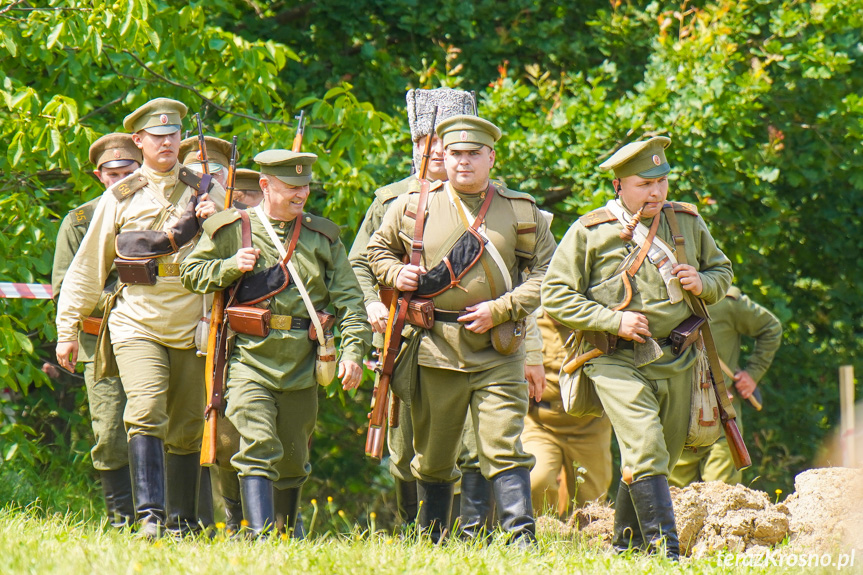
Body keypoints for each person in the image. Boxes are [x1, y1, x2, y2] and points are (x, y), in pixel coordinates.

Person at [367, 115, 556, 546]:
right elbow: (376, 250)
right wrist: (396, 273)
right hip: (436, 347)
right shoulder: (415, 205)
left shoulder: (520, 210)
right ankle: (431, 540)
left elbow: (548, 272)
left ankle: (520, 539)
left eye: (474, 154)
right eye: (455, 153)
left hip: (498, 346)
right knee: (433, 457)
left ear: (491, 156)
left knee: (504, 444)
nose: (464, 162)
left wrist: (503, 308)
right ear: (443, 157)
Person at [541, 136, 733, 559]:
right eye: (645, 183)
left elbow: (722, 269)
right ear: (619, 186)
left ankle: (626, 548)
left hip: (677, 356)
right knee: (646, 445)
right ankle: (668, 553)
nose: (656, 191)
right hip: (613, 358)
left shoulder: (686, 222)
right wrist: (614, 320)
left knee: (653, 455)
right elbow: (555, 295)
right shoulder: (590, 231)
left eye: (662, 181)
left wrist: (705, 283)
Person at [55, 97, 225, 538]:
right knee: (146, 410)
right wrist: (67, 329)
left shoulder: (205, 189)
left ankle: (181, 521)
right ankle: (149, 517)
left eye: (173, 135)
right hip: (138, 320)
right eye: (157, 136)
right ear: (140, 141)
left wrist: (218, 220)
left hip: (194, 323)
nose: (167, 143)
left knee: (187, 427)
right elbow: (89, 266)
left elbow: (237, 253)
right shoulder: (121, 195)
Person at [180, 149, 371, 537]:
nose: (300, 195)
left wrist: (352, 352)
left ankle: (286, 533)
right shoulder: (231, 227)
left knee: (294, 461)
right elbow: (191, 272)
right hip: (249, 358)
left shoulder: (323, 237)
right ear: (265, 186)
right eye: (290, 188)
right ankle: (260, 534)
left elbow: (350, 301)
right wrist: (232, 265)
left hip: (303, 360)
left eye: (304, 187)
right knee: (258, 445)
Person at [349, 88, 491, 529]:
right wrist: (373, 301)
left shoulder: (493, 201)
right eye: (421, 141)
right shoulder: (391, 199)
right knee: (405, 443)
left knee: (475, 441)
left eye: (441, 140)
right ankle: (417, 530)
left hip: (475, 339)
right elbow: (358, 261)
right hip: (404, 339)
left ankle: (472, 534)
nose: (430, 151)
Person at [51, 133, 141, 528]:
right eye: (113, 173)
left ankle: (168, 518)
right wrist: (122, 297)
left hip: (158, 336)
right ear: (98, 175)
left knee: (163, 425)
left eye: (129, 170)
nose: (120, 179)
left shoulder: (161, 212)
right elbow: (64, 289)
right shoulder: (80, 222)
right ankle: (122, 520)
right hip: (99, 342)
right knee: (110, 430)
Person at [670, 286, 781, 486]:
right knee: (674, 503)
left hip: (719, 420)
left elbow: (770, 327)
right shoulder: (656, 302)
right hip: (677, 422)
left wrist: (753, 373)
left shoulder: (725, 302)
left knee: (721, 497)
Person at [521, 310, 613, 516]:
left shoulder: (594, 316)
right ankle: (542, 535)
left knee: (592, 504)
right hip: (540, 424)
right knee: (536, 481)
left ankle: (587, 544)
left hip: (589, 426)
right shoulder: (530, 320)